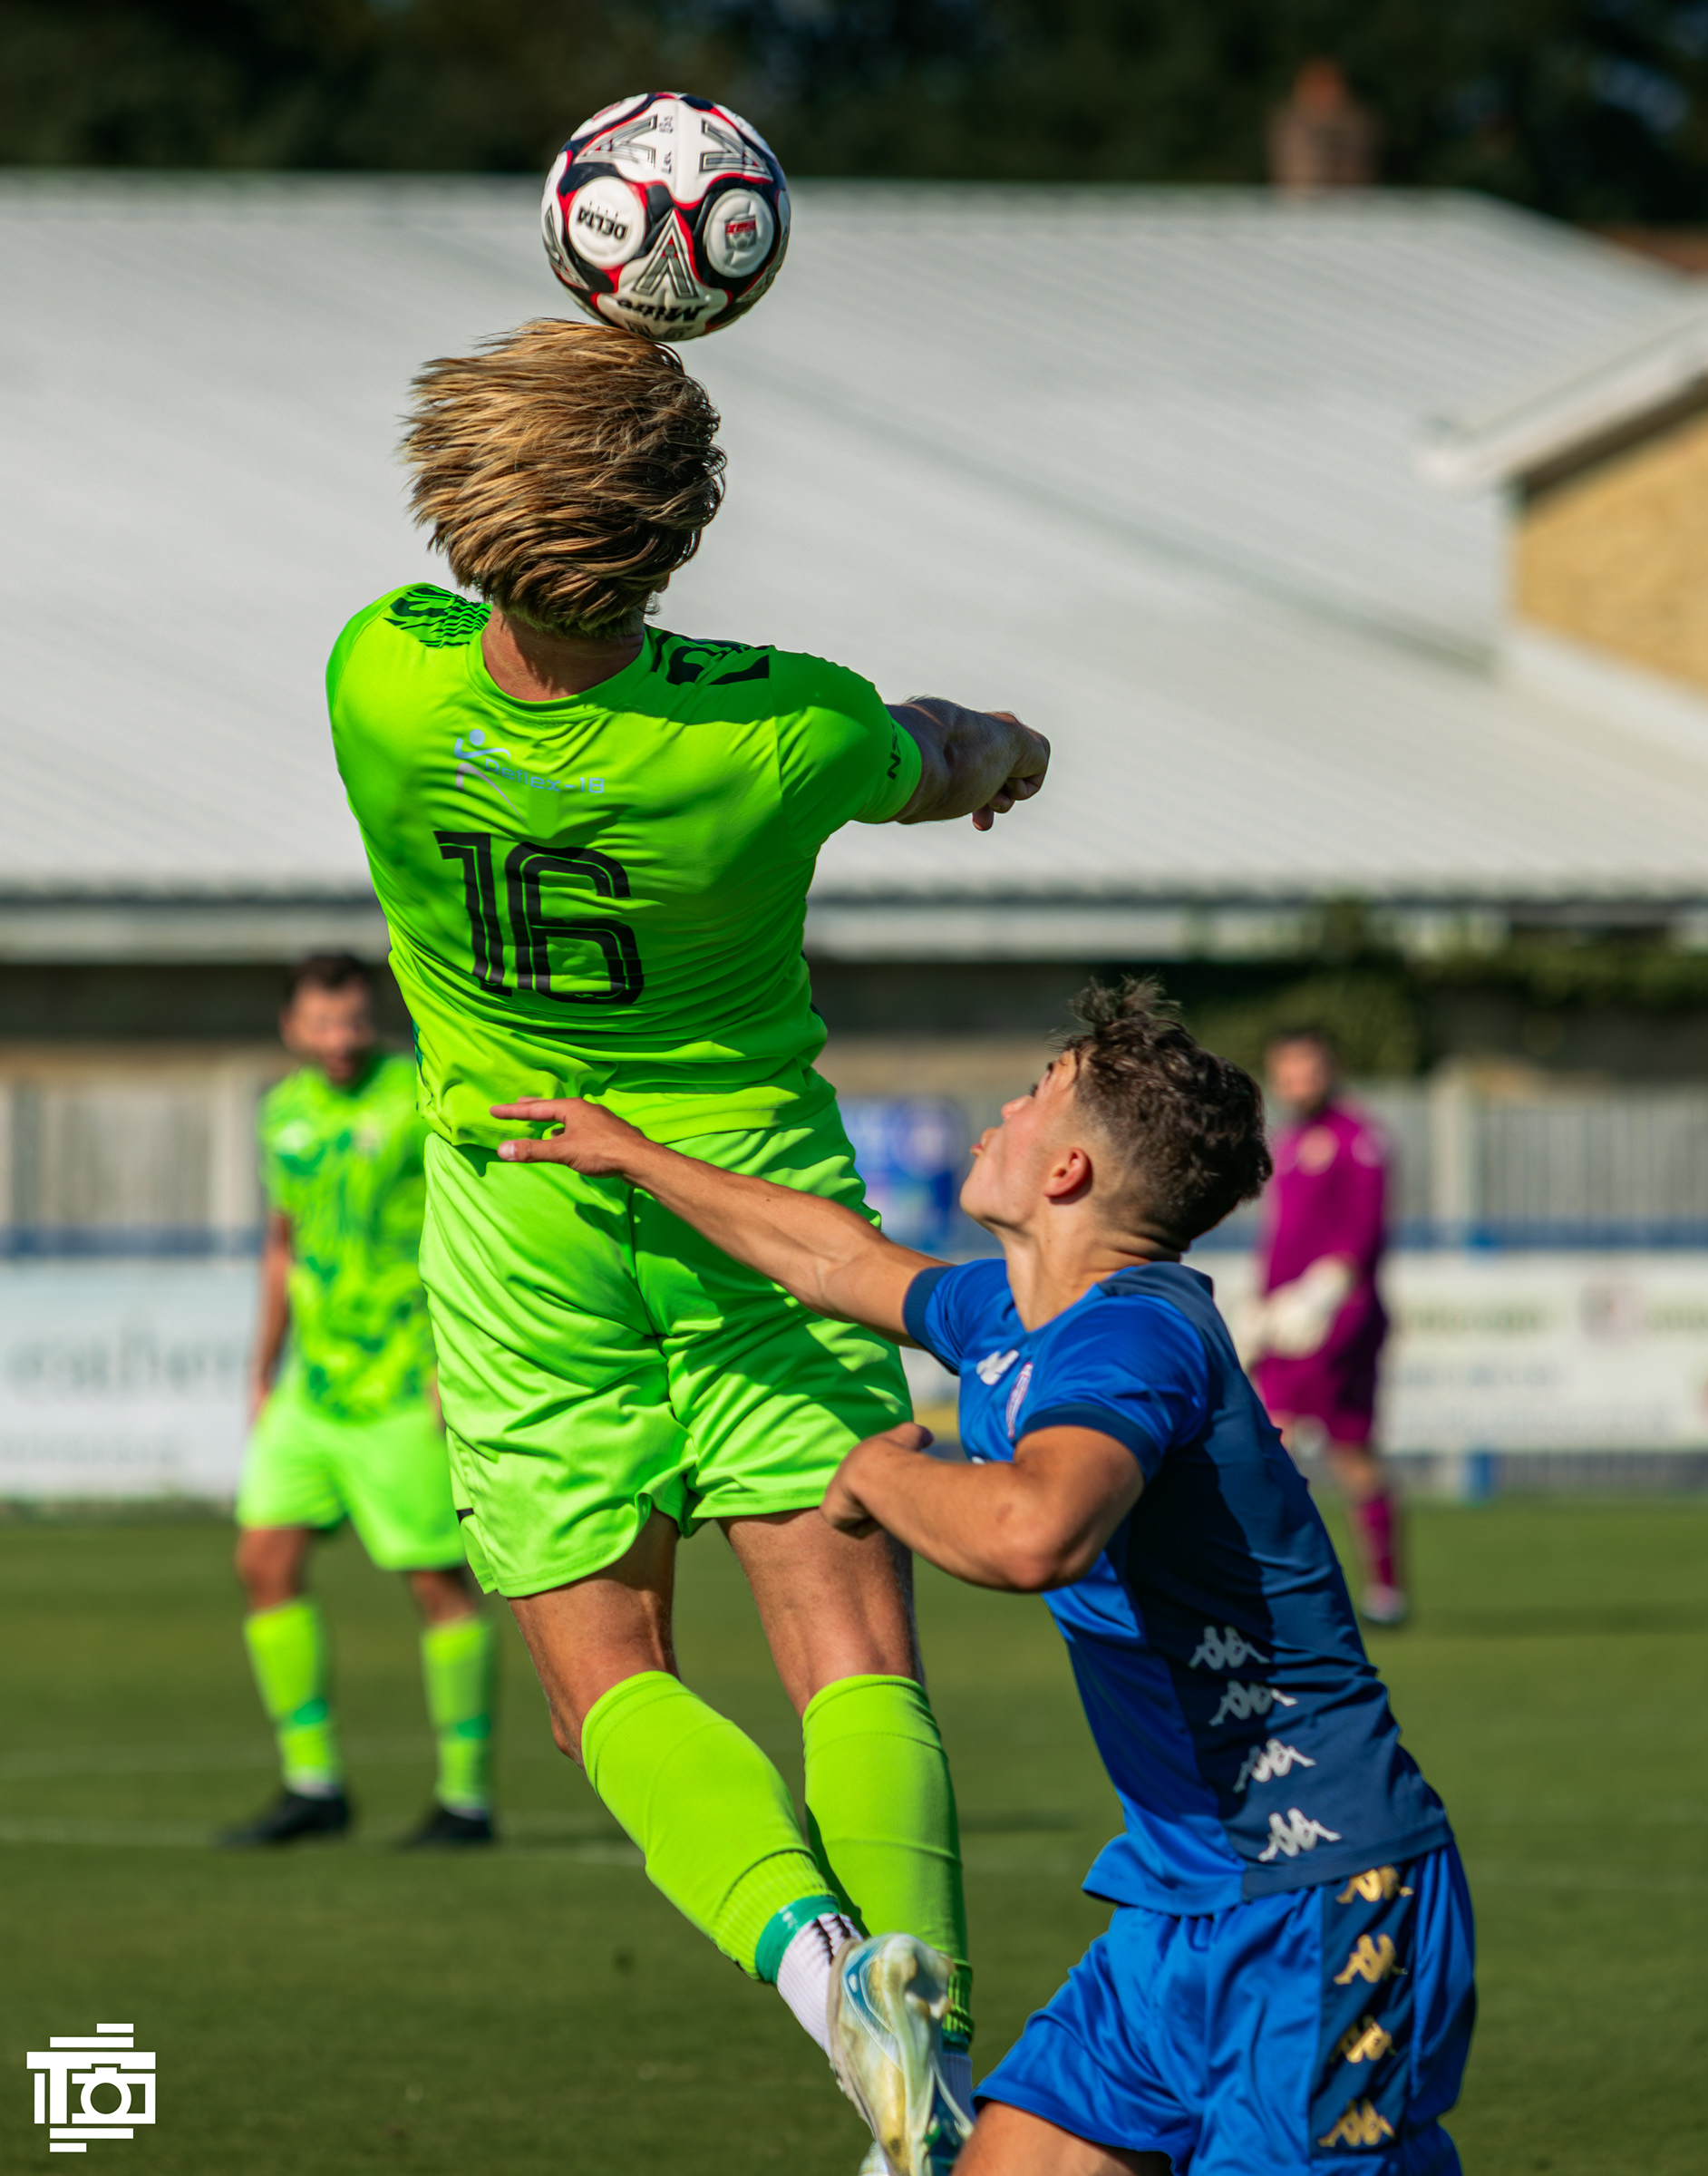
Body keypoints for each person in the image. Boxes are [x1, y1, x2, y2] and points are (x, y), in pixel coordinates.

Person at [326, 318, 1050, 2172]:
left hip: (521, 1225)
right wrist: (1003, 752)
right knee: (849, 1642)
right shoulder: (787, 728)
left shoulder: (377, 680)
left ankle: (829, 1992)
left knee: (606, 1683)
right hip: (758, 1211)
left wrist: (576, 382)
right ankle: (926, 2042)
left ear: (459, 500)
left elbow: (500, 595)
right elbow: (952, 753)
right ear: (683, 521)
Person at [490, 981, 1474, 2176]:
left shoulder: (1137, 1337)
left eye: (1032, 1096)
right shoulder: (1008, 1315)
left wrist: (880, 1474)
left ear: (1066, 1172)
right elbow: (833, 1259)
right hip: (1177, 1907)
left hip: (1320, 1899)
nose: (999, 1113)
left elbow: (1033, 1533)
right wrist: (635, 1158)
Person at [222, 953, 497, 1850]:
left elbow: (469, 1231)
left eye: (352, 1021)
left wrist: (456, 1360)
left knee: (437, 1584)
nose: (339, 1038)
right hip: (313, 1388)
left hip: (403, 1383)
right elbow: (283, 1242)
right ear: (291, 1028)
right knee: (263, 1562)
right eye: (322, 1022)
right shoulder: (282, 1114)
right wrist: (262, 1367)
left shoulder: (418, 1099)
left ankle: (466, 1800)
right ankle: (314, 1785)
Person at [1246, 1028, 1405, 1627]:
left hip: (1336, 1321)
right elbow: (1282, 1236)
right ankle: (1284, 1591)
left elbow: (1364, 1230)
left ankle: (1381, 1590)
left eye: (1308, 1069)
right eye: (1286, 1072)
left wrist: (1326, 1290)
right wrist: (1263, 1306)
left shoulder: (1358, 1139)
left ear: (1331, 1070)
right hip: (1286, 1318)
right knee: (1279, 1443)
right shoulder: (1287, 1143)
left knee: (1338, 1449)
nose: (1297, 1083)